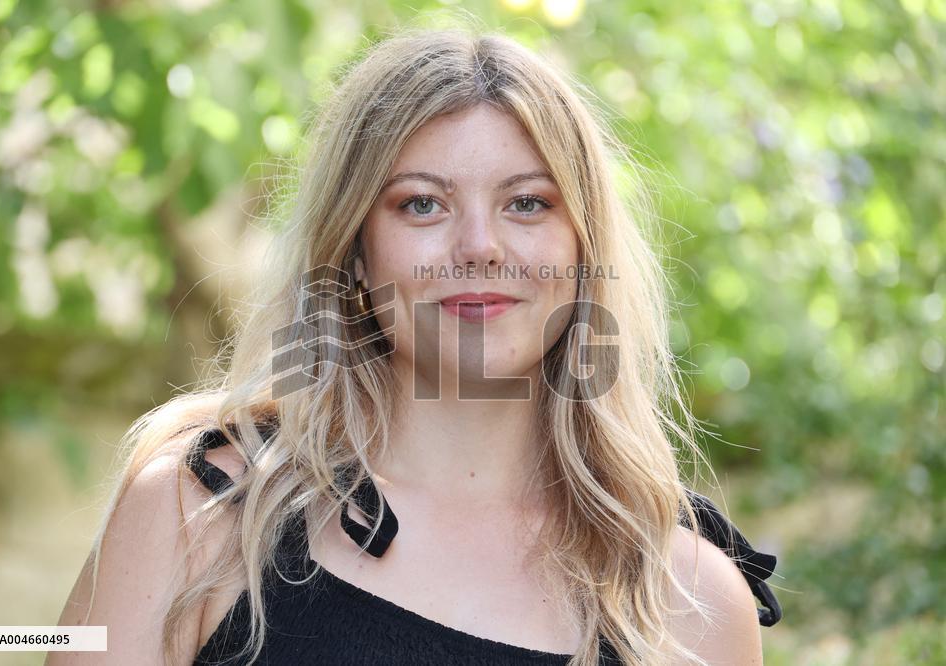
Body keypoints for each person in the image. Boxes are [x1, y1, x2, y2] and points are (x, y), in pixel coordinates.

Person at [46, 22, 781, 666]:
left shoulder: (689, 602)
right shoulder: (202, 515)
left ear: (585, 251)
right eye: (422, 204)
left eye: (527, 203)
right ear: (356, 253)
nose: (480, 246)